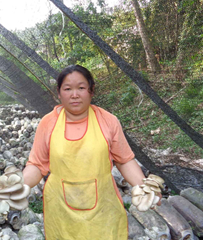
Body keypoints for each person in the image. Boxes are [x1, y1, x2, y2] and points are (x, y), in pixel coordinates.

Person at [22, 65, 160, 239]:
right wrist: (17, 187)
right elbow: (36, 165)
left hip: (103, 207)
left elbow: (124, 160)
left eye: (81, 88)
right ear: (59, 93)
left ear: (91, 90)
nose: (74, 95)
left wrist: (145, 188)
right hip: (60, 210)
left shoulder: (108, 121)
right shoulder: (48, 123)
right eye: (67, 89)